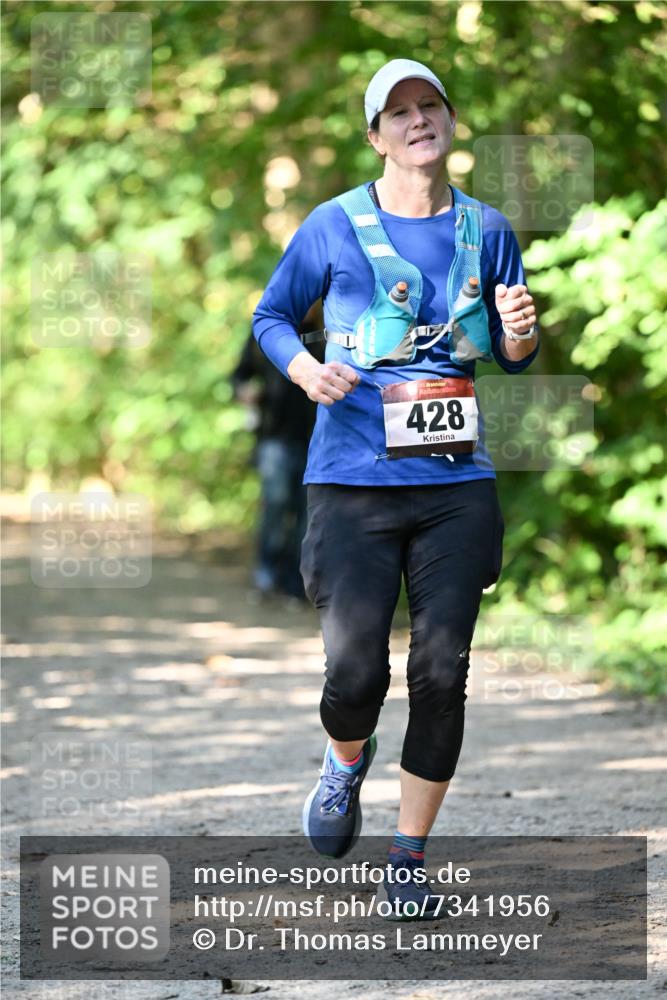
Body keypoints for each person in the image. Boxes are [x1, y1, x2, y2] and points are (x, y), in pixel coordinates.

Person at [252, 59, 539, 919]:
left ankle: (407, 857)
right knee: (352, 673)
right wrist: (307, 369)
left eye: (431, 107)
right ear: (376, 136)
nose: (419, 121)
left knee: (442, 672)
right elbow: (270, 317)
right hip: (350, 482)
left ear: (449, 124)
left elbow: (507, 349)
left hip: (457, 481)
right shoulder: (332, 226)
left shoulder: (486, 229)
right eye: (399, 113)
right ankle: (345, 761)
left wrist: (522, 335)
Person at [232, 307, 322, 600]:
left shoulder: (331, 330)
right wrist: (246, 392)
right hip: (275, 436)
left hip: (317, 439)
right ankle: (266, 574)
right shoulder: (270, 330)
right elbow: (238, 376)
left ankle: (294, 582)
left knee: (305, 513)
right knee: (275, 504)